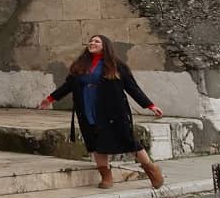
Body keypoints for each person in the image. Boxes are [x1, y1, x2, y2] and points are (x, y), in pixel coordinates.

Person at [38, 34, 165, 189]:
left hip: (113, 111)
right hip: (87, 109)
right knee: (95, 142)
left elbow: (132, 87)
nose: (92, 43)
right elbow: (68, 85)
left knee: (128, 140)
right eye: (91, 41)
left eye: (96, 41)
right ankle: (106, 176)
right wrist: (50, 99)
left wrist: (150, 105)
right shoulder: (80, 65)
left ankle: (151, 170)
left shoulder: (116, 65)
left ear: (105, 45)